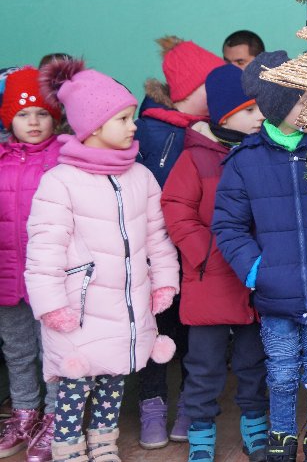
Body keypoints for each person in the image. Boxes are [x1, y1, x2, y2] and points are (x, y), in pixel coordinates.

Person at [25, 59, 180, 462]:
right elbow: (43, 251)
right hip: (78, 307)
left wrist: (164, 281)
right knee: (75, 383)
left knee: (115, 376)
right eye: (123, 119)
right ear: (94, 126)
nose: (133, 126)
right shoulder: (60, 182)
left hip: (127, 304)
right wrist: (52, 306)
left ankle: (104, 442)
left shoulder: (141, 177)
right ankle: (67, 445)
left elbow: (158, 238)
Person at [213, 51, 307, 462]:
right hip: (275, 294)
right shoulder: (245, 160)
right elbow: (228, 225)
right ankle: (282, 435)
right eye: (304, 100)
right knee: (281, 374)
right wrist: (256, 270)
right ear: (280, 106)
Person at [160, 64, 267, 462]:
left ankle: (255, 426)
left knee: (254, 362)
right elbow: (177, 210)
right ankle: (200, 432)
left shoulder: (264, 153)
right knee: (203, 366)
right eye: (249, 110)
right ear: (223, 116)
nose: (260, 116)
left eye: (260, 108)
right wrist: (206, 253)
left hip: (254, 280)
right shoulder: (195, 158)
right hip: (210, 279)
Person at [135, 35, 224, 448]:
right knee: (154, 333)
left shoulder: (210, 132)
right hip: (153, 257)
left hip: (194, 254)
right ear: (190, 89)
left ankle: (191, 404)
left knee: (193, 337)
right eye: (211, 84)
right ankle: (152, 405)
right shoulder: (147, 131)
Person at [0, 68, 63, 462]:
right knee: (18, 350)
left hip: (52, 278)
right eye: (23, 114)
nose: (34, 122)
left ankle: (56, 417)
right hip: (8, 276)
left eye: (42, 113)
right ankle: (24, 413)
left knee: (54, 351)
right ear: (9, 119)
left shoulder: (66, 157)